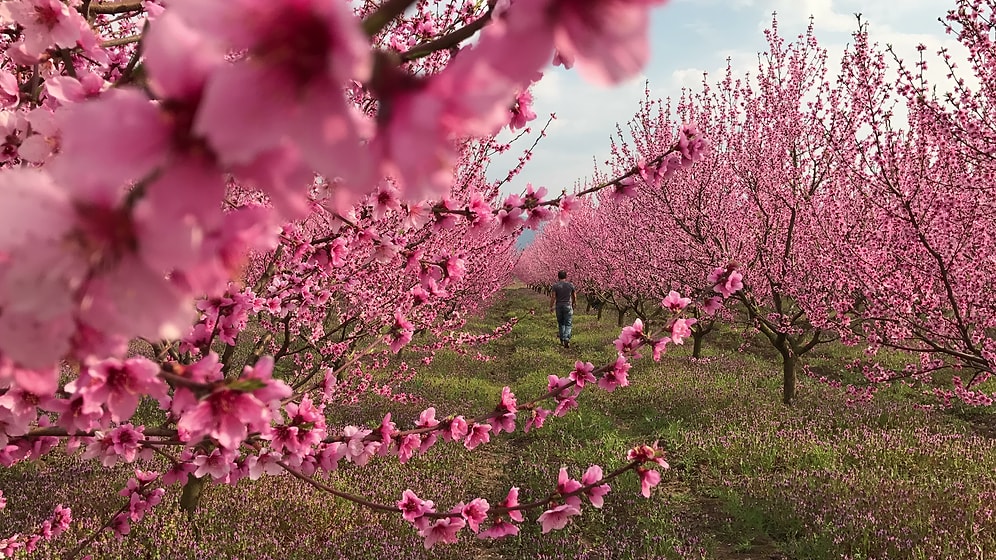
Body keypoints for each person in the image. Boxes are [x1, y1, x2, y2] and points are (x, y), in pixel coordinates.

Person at [549, 270, 577, 348]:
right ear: (566, 276)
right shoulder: (570, 285)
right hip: (568, 306)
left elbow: (553, 297)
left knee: (561, 323)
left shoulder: (555, 286)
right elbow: (574, 295)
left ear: (558, 277)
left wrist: (551, 306)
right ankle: (566, 338)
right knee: (568, 323)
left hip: (559, 306)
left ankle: (562, 339)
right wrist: (574, 303)